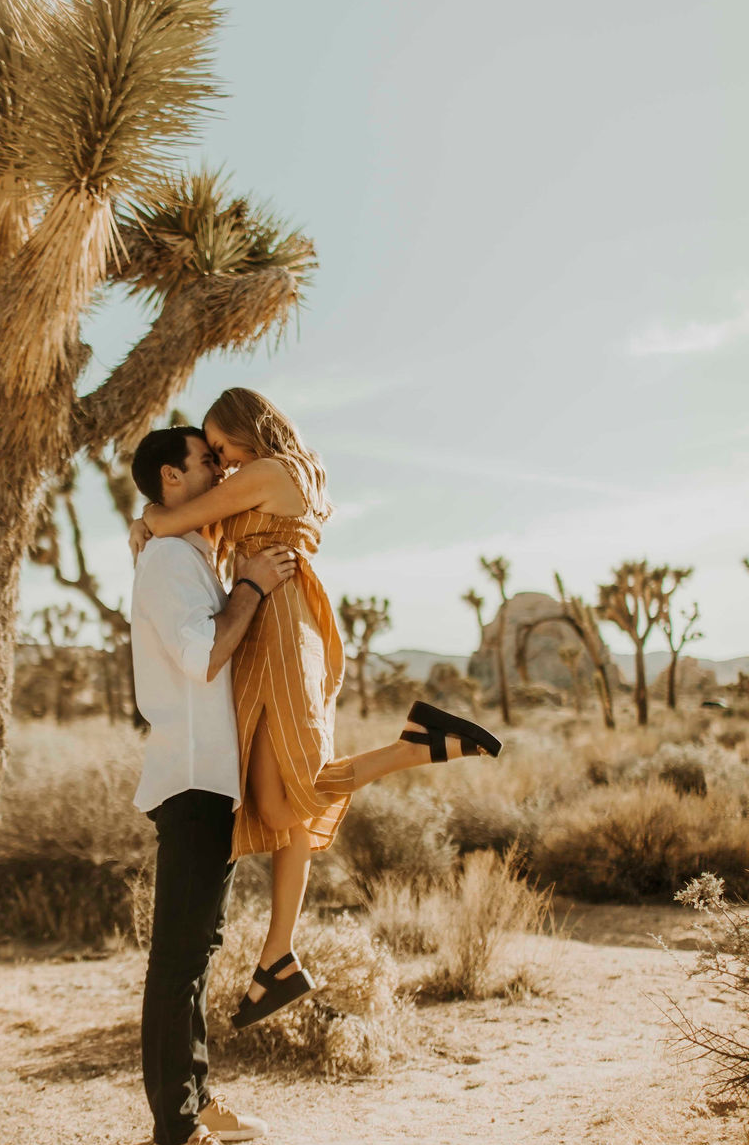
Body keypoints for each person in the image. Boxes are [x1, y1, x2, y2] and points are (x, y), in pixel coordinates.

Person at [132, 387, 502, 1031]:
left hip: (275, 620)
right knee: (277, 804)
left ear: (248, 430)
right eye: (211, 456)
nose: (220, 464)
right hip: (270, 622)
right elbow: (190, 524)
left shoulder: (270, 473)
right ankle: (279, 956)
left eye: (221, 448)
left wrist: (146, 518)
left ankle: (415, 745)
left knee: (292, 789)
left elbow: (166, 523)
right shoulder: (270, 475)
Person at [130, 423, 297, 1145]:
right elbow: (203, 656)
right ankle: (174, 1136)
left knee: (196, 952)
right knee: (178, 960)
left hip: (210, 781)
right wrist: (254, 589)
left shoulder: (189, 553)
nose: (223, 470)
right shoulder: (168, 560)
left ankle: (192, 1101)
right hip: (192, 779)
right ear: (172, 478)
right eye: (208, 461)